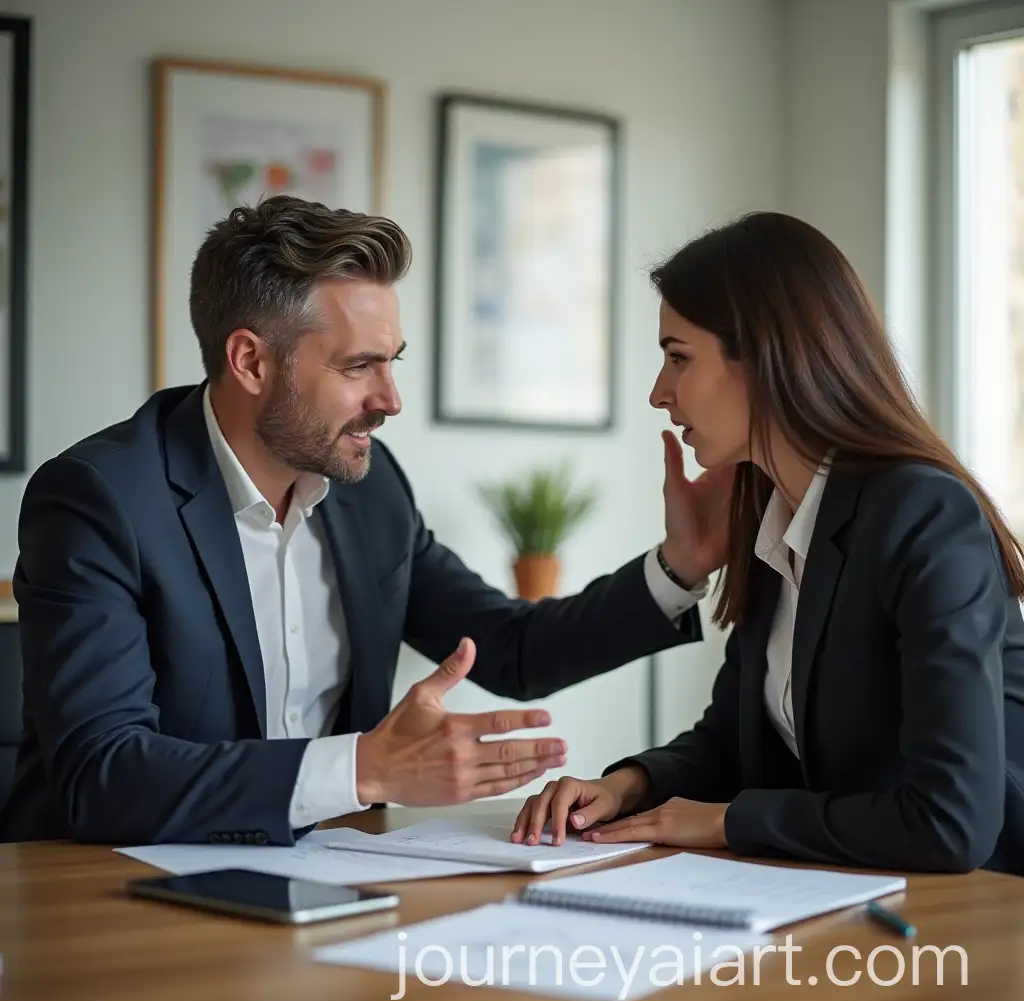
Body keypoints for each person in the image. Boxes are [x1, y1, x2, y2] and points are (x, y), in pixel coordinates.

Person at [0, 196, 732, 847]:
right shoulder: (100, 499)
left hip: (325, 886)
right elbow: (102, 774)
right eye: (359, 367)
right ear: (251, 361)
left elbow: (508, 648)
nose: (390, 399)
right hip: (105, 899)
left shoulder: (369, 491)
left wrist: (678, 568)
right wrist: (365, 769)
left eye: (394, 363)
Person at [512, 210, 1024, 875]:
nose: (658, 393)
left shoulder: (921, 513)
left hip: (985, 914)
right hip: (859, 901)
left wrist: (725, 822)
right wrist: (626, 786)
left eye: (678, 358)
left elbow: (949, 822)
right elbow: (736, 742)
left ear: (766, 356)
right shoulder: (776, 518)